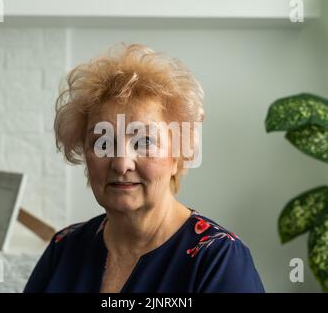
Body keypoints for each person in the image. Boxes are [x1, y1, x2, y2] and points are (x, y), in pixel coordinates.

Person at [24, 43, 265, 293]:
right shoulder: (64, 248)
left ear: (177, 155)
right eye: (103, 143)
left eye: (144, 141)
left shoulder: (218, 259)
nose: (121, 162)